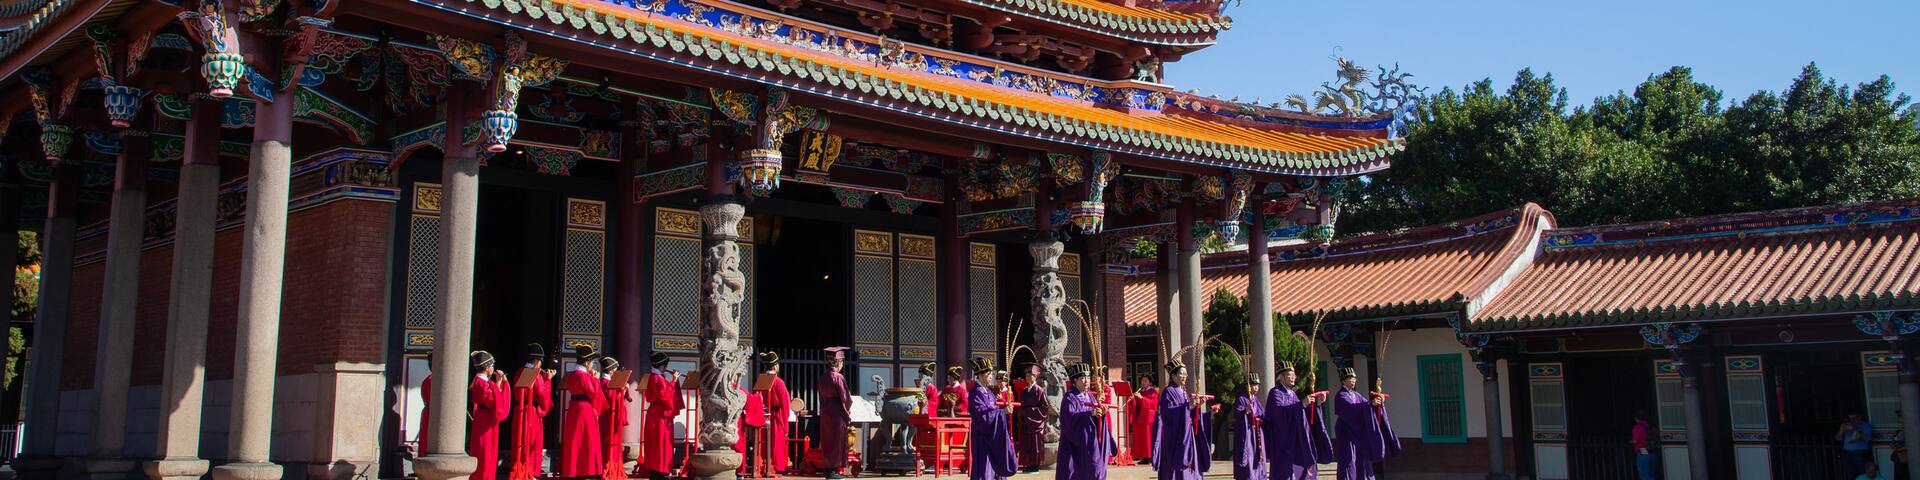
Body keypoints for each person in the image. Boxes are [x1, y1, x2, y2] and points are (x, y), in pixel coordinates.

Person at [1262, 362, 1331, 480]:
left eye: (1294, 374)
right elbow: (1280, 415)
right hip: (1282, 444)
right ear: (1282, 377)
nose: (1294, 377)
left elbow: (1301, 415)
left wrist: (1316, 404)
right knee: (1283, 473)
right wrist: (1302, 404)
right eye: (1290, 374)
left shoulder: (1292, 394)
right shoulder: (1275, 393)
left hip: (1295, 443)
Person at [1332, 368, 1399, 480]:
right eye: (1350, 378)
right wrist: (1370, 404)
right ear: (1343, 381)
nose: (1353, 380)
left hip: (1359, 436)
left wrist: (1376, 402)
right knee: (1349, 461)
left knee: (1362, 460)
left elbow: (1367, 406)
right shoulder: (1340, 396)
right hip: (1346, 433)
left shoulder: (1356, 395)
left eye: (1354, 378)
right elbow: (1352, 410)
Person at [509, 344, 556, 478]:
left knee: (519, 441)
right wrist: (548, 380)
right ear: (536, 361)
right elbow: (543, 395)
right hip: (531, 412)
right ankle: (529, 471)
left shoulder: (519, 372)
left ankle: (519, 468)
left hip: (519, 410)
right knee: (531, 442)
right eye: (541, 361)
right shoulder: (536, 375)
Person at [969, 357, 1019, 480]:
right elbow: (982, 416)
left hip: (993, 437)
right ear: (980, 375)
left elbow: (993, 410)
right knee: (985, 469)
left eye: (991, 373)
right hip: (983, 439)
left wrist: (1003, 411)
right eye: (988, 373)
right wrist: (1002, 413)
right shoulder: (976, 393)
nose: (991, 376)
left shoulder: (988, 392)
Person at [1058, 363, 1110, 480]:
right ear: (1075, 381)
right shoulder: (1069, 397)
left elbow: (1096, 418)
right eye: (1082, 378)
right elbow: (1068, 421)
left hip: (1090, 441)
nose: (1086, 381)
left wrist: (1101, 414)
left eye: (1087, 377)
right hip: (1074, 443)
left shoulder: (1091, 397)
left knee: (1094, 469)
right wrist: (1089, 414)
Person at [561, 347, 606, 477]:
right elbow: (595, 393)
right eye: (591, 362)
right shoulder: (584, 376)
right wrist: (596, 380)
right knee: (588, 441)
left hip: (574, 408)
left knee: (574, 441)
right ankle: (587, 470)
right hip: (585, 410)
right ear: (586, 363)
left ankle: (573, 470)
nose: (592, 365)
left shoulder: (572, 375)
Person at [1152, 361, 1200, 480]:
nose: (1185, 376)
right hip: (1173, 436)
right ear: (1173, 376)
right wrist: (1188, 406)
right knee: (1174, 467)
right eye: (1181, 373)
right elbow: (1168, 413)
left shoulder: (1183, 392)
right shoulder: (1168, 391)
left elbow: (1188, 413)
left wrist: (1196, 407)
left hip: (1185, 434)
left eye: (1186, 374)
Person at [468, 350, 512, 480]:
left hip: (487, 419)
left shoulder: (484, 382)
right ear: (487, 368)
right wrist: (498, 383)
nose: (493, 368)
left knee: (489, 452)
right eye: (492, 366)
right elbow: (493, 401)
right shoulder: (480, 383)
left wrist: (497, 384)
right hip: (484, 420)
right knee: (484, 452)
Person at [642, 352, 683, 480]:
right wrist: (674, 381)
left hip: (654, 413)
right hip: (660, 414)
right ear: (662, 366)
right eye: (665, 366)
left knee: (654, 443)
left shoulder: (653, 377)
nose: (666, 368)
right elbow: (666, 396)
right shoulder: (658, 378)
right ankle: (659, 471)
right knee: (660, 443)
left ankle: (655, 471)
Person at [817, 347, 855, 480]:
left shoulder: (822, 377)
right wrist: (847, 411)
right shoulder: (838, 377)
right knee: (837, 441)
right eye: (842, 362)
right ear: (838, 362)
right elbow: (845, 398)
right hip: (837, 412)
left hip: (826, 410)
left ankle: (828, 470)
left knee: (828, 441)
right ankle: (834, 471)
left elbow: (820, 397)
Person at [760, 352, 794, 476]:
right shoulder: (778, 382)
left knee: (765, 442)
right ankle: (778, 467)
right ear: (775, 366)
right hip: (776, 415)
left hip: (764, 415)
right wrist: (785, 420)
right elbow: (785, 403)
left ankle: (765, 465)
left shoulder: (762, 379)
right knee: (777, 442)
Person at [601, 356, 634, 480]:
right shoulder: (606, 383)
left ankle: (612, 466)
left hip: (608, 417)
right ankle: (610, 468)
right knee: (610, 443)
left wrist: (622, 391)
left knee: (611, 443)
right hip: (610, 417)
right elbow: (612, 400)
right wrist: (623, 392)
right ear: (610, 370)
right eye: (615, 369)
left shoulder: (605, 382)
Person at [1231, 377, 1265, 480]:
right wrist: (1245, 411)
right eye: (1254, 385)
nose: (1256, 387)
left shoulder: (1255, 399)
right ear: (1248, 386)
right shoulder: (1242, 398)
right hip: (1247, 434)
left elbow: (1262, 413)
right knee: (1249, 458)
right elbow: (1237, 414)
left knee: (1258, 459)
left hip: (1257, 433)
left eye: (1257, 385)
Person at [1017, 364, 1048, 472]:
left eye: (1030, 375)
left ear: (1035, 376)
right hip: (1026, 421)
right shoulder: (1025, 390)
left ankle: (1035, 466)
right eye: (1026, 375)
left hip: (1036, 422)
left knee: (1035, 444)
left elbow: (1044, 407)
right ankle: (1028, 464)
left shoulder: (1039, 390)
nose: (1027, 377)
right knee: (1027, 444)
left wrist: (1031, 412)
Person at [1126, 376, 1159, 463]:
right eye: (1142, 381)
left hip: (1148, 419)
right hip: (1140, 417)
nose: (1143, 383)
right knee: (1140, 438)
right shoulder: (1140, 391)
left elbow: (1153, 405)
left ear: (1150, 383)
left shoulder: (1153, 392)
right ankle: (1141, 456)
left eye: (1145, 381)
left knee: (1147, 439)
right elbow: (1136, 404)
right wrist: (1133, 400)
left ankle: (1148, 457)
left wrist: (1142, 398)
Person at [1840, 412, 1875, 480]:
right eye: (1849, 419)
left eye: (1853, 418)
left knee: (1862, 475)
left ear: (1859, 417)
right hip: (1847, 453)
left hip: (1860, 453)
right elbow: (1838, 438)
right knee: (1850, 475)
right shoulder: (1846, 425)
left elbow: (1867, 439)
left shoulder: (1865, 425)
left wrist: (1854, 428)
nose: (1851, 420)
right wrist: (1841, 430)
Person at [1631, 413, 1655, 480]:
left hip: (1643, 452)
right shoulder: (1649, 426)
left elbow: (1635, 440)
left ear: (1636, 419)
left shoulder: (1637, 427)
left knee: (1644, 475)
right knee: (1651, 474)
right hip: (1652, 452)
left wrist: (1630, 441)